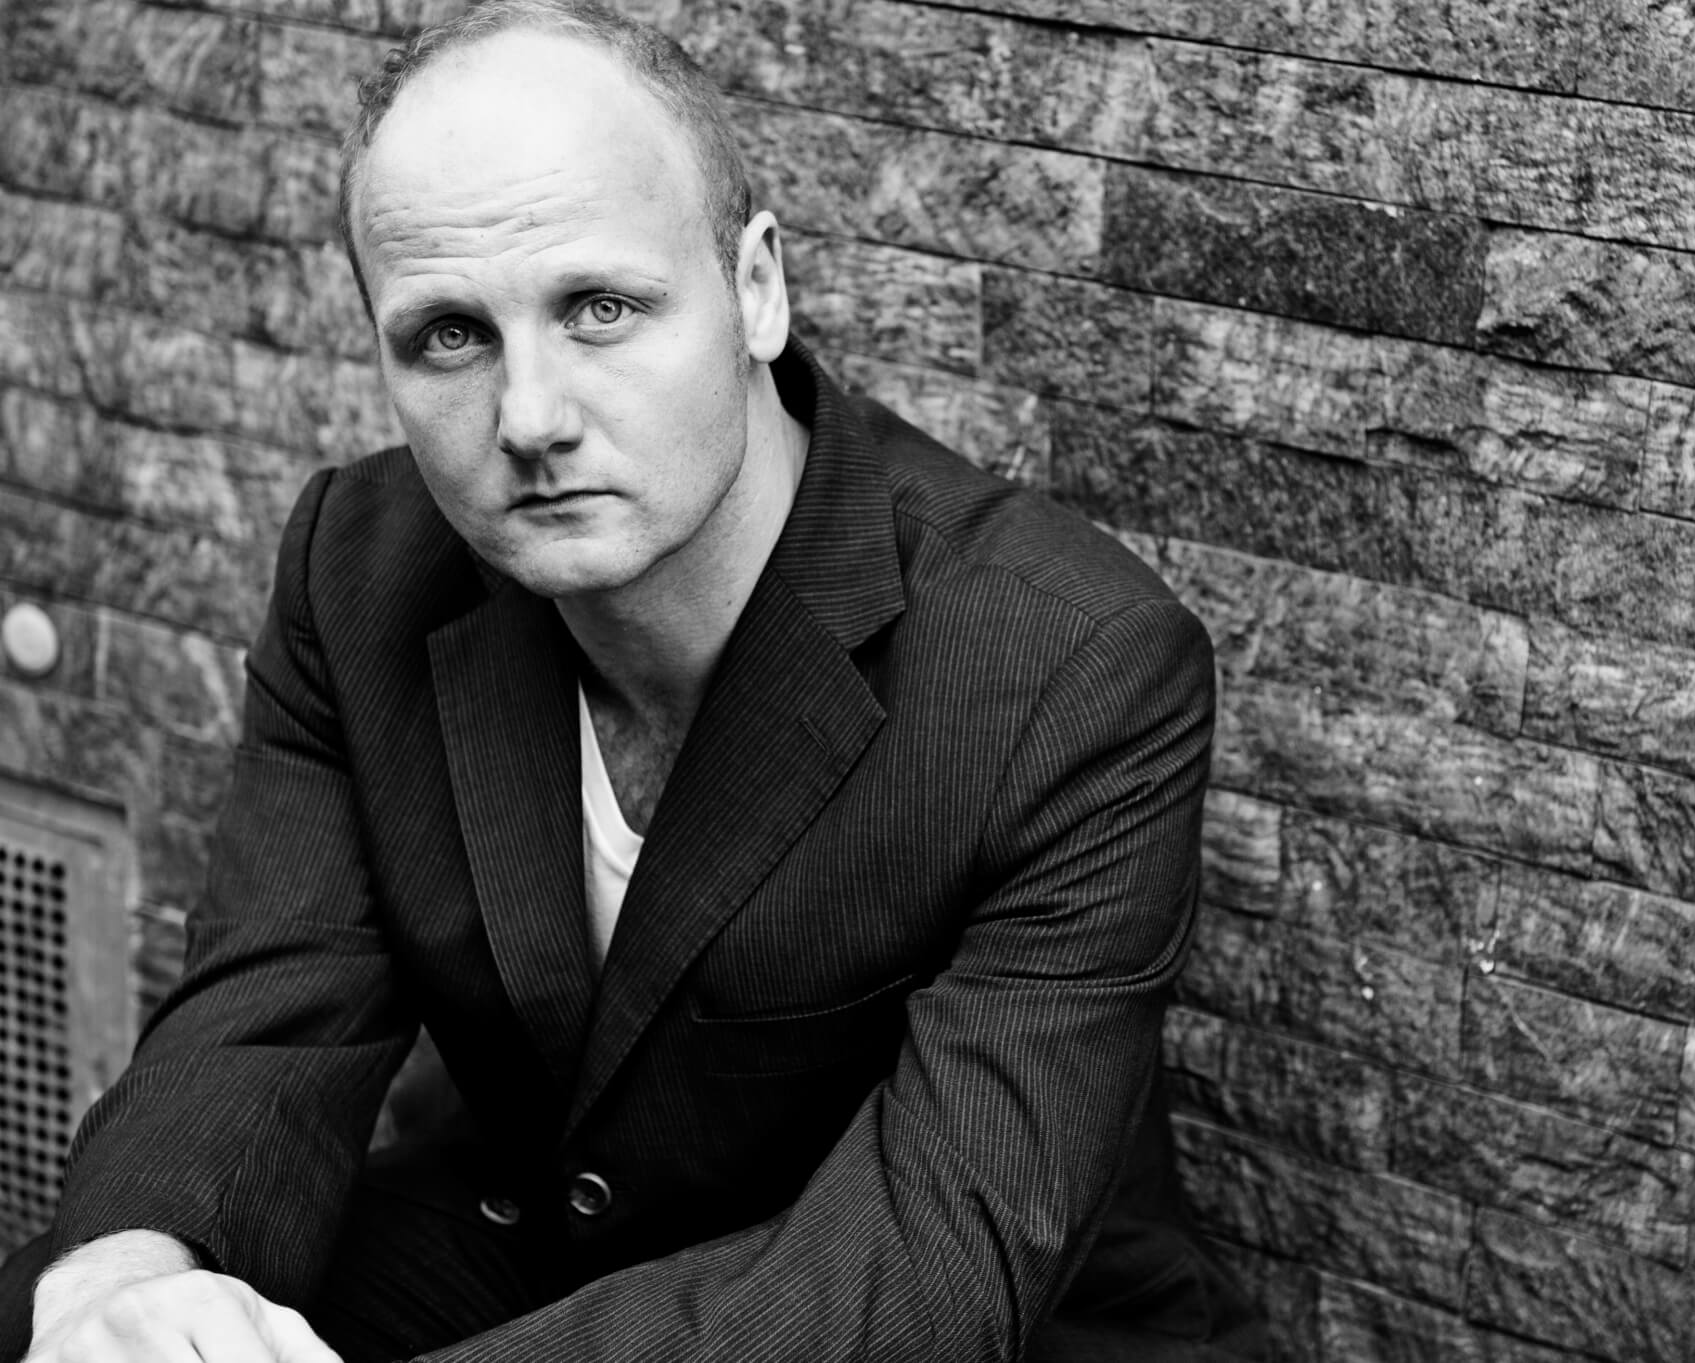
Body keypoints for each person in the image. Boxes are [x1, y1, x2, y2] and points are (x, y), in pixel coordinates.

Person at [0, 2, 1260, 1359]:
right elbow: (268, 1018)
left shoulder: (1067, 664)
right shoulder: (361, 573)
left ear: (756, 289)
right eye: (449, 336)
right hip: (542, 1249)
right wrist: (121, 1283)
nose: (530, 418)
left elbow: (930, 1263)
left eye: (599, 309)